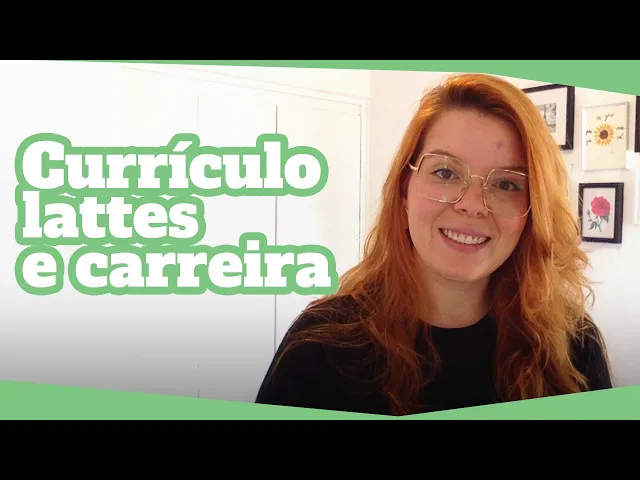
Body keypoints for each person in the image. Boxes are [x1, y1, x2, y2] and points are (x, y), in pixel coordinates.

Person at [255, 72, 614, 416]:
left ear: (533, 212)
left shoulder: (572, 348)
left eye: (506, 184)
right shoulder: (318, 347)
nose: (472, 204)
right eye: (445, 172)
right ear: (404, 191)